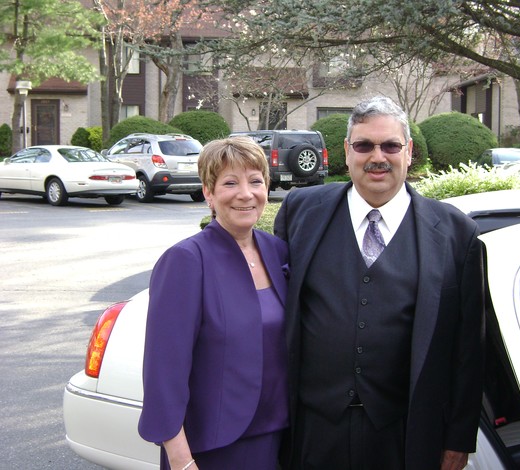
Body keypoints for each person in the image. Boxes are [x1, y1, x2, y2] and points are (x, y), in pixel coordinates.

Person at [274, 96, 485, 470]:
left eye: (390, 146)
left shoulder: (456, 233)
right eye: (364, 146)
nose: (377, 157)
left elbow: (468, 349)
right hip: (314, 430)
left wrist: (458, 438)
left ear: (409, 152)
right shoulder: (301, 212)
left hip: (404, 435)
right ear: (347, 151)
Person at [138, 136, 289, 470]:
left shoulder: (277, 251)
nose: (245, 194)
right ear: (208, 192)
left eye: (255, 181)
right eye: (230, 183)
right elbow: (164, 371)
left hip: (277, 439)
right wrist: (181, 460)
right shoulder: (186, 261)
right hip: (211, 448)